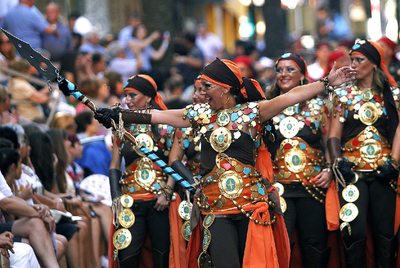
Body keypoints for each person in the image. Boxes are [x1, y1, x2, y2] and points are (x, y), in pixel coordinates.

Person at [94, 58, 354, 267]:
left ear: (225, 87)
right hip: (215, 207)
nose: (202, 92)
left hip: (251, 205)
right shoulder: (200, 115)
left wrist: (326, 82)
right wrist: (119, 114)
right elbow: (160, 115)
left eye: (207, 86)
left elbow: (290, 97)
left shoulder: (253, 111)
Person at [328, 39, 400, 267]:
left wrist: (394, 163)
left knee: (385, 232)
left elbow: (399, 130)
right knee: (354, 232)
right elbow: (333, 135)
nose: (353, 64)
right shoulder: (342, 95)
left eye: (359, 60)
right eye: (351, 60)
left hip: (384, 171)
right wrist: (338, 163)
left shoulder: (393, 95)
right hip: (353, 173)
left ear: (375, 64)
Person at [106, 74, 184, 268]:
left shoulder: (167, 125)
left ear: (149, 97)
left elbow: (174, 161)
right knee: (127, 257)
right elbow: (115, 165)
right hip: (130, 202)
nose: (127, 101)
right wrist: (116, 197)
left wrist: (167, 191)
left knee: (162, 256)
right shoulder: (121, 126)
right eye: (126, 96)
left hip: (160, 202)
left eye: (133, 95)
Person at [265, 53, 332, 267]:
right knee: (280, 245)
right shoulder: (267, 107)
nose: (283, 74)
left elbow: (329, 140)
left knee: (314, 245)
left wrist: (330, 169)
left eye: (290, 69)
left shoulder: (320, 106)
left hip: (312, 187)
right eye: (280, 69)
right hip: (279, 189)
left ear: (303, 75)